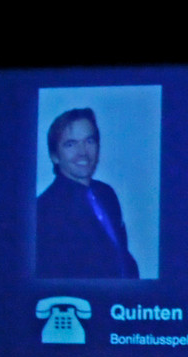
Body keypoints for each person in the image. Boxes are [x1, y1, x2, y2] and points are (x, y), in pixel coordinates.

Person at [36, 108, 139, 279]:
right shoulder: (44, 209)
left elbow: (120, 254)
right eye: (71, 144)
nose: (83, 152)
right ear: (54, 155)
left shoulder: (106, 193)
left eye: (89, 141)